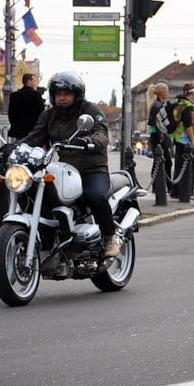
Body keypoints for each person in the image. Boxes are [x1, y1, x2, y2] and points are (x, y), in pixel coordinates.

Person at [18, 71, 120, 257]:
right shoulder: (49, 115)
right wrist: (17, 147)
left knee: (95, 196)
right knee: (33, 189)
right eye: (58, 94)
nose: (62, 98)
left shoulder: (91, 110)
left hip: (92, 170)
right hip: (65, 170)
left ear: (77, 95)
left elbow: (101, 135)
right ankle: (50, 235)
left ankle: (109, 237)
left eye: (66, 94)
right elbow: (36, 135)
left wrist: (87, 141)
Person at [170, 81, 194, 201]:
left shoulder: (179, 104)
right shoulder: (187, 107)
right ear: (192, 93)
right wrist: (193, 140)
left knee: (179, 166)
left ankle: (177, 191)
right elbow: (188, 124)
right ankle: (185, 192)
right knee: (186, 166)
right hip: (185, 141)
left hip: (178, 139)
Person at [147, 82, 174, 191]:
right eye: (166, 91)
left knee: (159, 161)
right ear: (162, 93)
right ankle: (167, 186)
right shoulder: (157, 106)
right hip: (158, 137)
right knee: (166, 161)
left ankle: (157, 185)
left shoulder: (158, 104)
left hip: (157, 136)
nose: (168, 93)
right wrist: (163, 136)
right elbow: (158, 124)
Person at [7, 73, 46, 139]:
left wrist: (16, 125)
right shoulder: (36, 95)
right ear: (29, 81)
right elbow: (41, 113)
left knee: (20, 147)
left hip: (19, 131)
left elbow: (11, 114)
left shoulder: (14, 95)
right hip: (33, 131)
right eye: (34, 81)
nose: (36, 83)